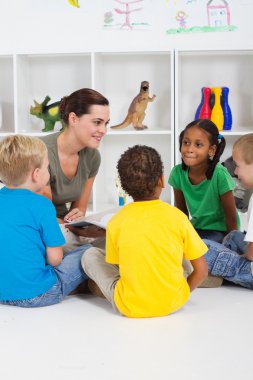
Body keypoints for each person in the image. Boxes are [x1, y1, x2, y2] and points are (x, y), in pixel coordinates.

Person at [82, 145, 208, 318]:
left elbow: (118, 265)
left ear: (124, 187)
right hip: (174, 302)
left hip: (130, 306)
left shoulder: (117, 221)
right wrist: (183, 292)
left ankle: (99, 288)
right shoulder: (177, 216)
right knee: (182, 252)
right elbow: (201, 271)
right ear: (162, 181)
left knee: (90, 256)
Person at [0, 135, 91, 307]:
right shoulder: (42, 205)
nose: (49, 172)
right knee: (88, 251)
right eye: (47, 167)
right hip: (39, 294)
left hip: (2, 293)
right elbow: (55, 260)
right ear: (36, 174)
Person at [40, 88, 110, 249]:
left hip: (65, 226)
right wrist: (73, 228)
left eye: (106, 123)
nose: (104, 130)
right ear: (73, 118)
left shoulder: (92, 157)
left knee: (118, 239)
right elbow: (44, 215)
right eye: (97, 122)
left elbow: (80, 208)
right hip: (41, 225)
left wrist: (77, 217)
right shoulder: (41, 152)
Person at [169, 119, 239, 243]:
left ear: (211, 150)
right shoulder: (177, 173)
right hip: (196, 228)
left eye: (198, 145)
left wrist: (232, 244)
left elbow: (231, 217)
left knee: (199, 245)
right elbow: (181, 211)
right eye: (186, 142)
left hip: (221, 232)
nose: (189, 149)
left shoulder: (220, 174)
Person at [204, 134, 253, 289]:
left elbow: (252, 254)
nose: (236, 172)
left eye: (238, 166)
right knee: (233, 236)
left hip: (249, 272)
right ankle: (220, 270)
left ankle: (218, 272)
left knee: (202, 247)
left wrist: (244, 256)